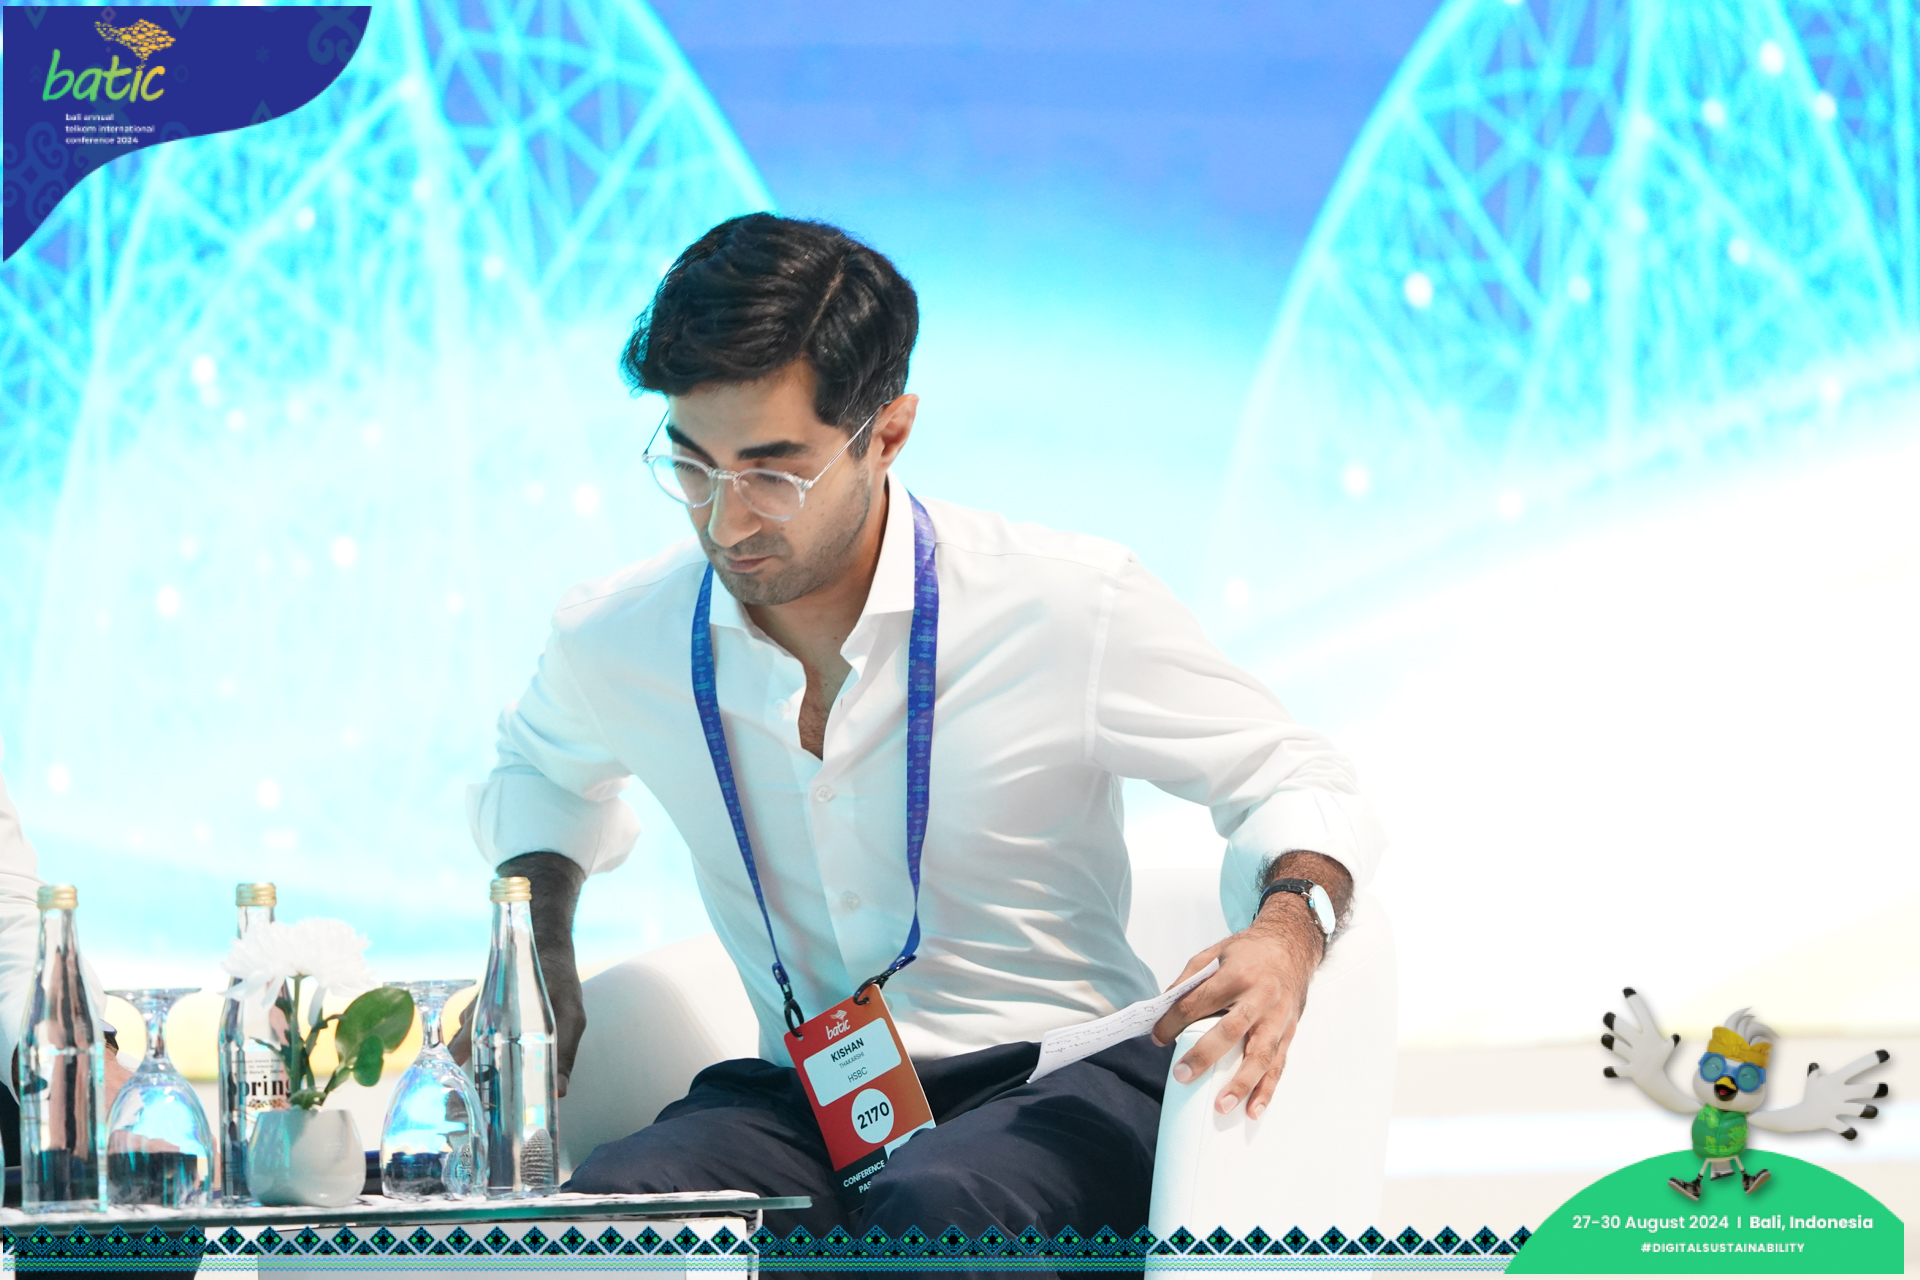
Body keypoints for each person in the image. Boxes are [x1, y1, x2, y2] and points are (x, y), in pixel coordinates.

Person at [460, 214, 1385, 1240]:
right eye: (691, 467)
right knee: (620, 1216)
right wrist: (540, 936)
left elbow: (1295, 774)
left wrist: (1289, 926)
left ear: (888, 433)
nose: (726, 520)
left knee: (937, 1209)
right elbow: (538, 772)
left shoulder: (1064, 604)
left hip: (1058, 1081)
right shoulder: (620, 637)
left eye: (773, 473)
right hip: (813, 1103)